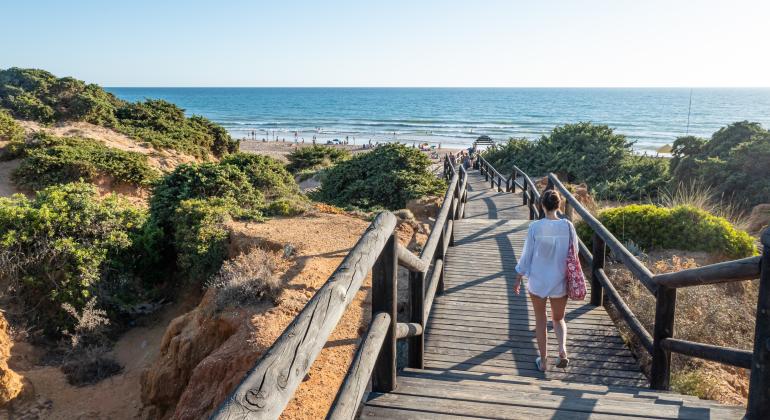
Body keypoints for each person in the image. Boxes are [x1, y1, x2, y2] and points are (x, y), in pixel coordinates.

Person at [514, 190, 576, 372]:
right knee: (559, 319)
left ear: (542, 205)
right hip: (560, 280)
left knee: (540, 320)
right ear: (559, 205)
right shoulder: (568, 226)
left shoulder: (535, 227)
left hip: (538, 281)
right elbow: (575, 252)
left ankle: (543, 361)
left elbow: (527, 256)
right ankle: (562, 350)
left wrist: (518, 277)